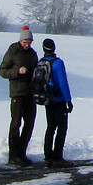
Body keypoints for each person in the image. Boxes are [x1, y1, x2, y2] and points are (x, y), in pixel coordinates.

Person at [0, 25, 38, 166]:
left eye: (29, 43)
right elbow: (2, 71)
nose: (27, 45)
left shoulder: (33, 54)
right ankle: (13, 155)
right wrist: (17, 72)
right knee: (16, 123)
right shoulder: (13, 51)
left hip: (30, 93)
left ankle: (22, 153)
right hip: (17, 93)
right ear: (20, 41)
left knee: (30, 124)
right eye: (24, 42)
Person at [40, 39, 75, 168]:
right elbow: (63, 83)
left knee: (50, 127)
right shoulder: (58, 63)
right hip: (58, 100)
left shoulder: (41, 62)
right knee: (62, 128)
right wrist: (68, 100)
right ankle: (58, 157)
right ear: (54, 48)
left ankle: (48, 156)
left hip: (47, 100)